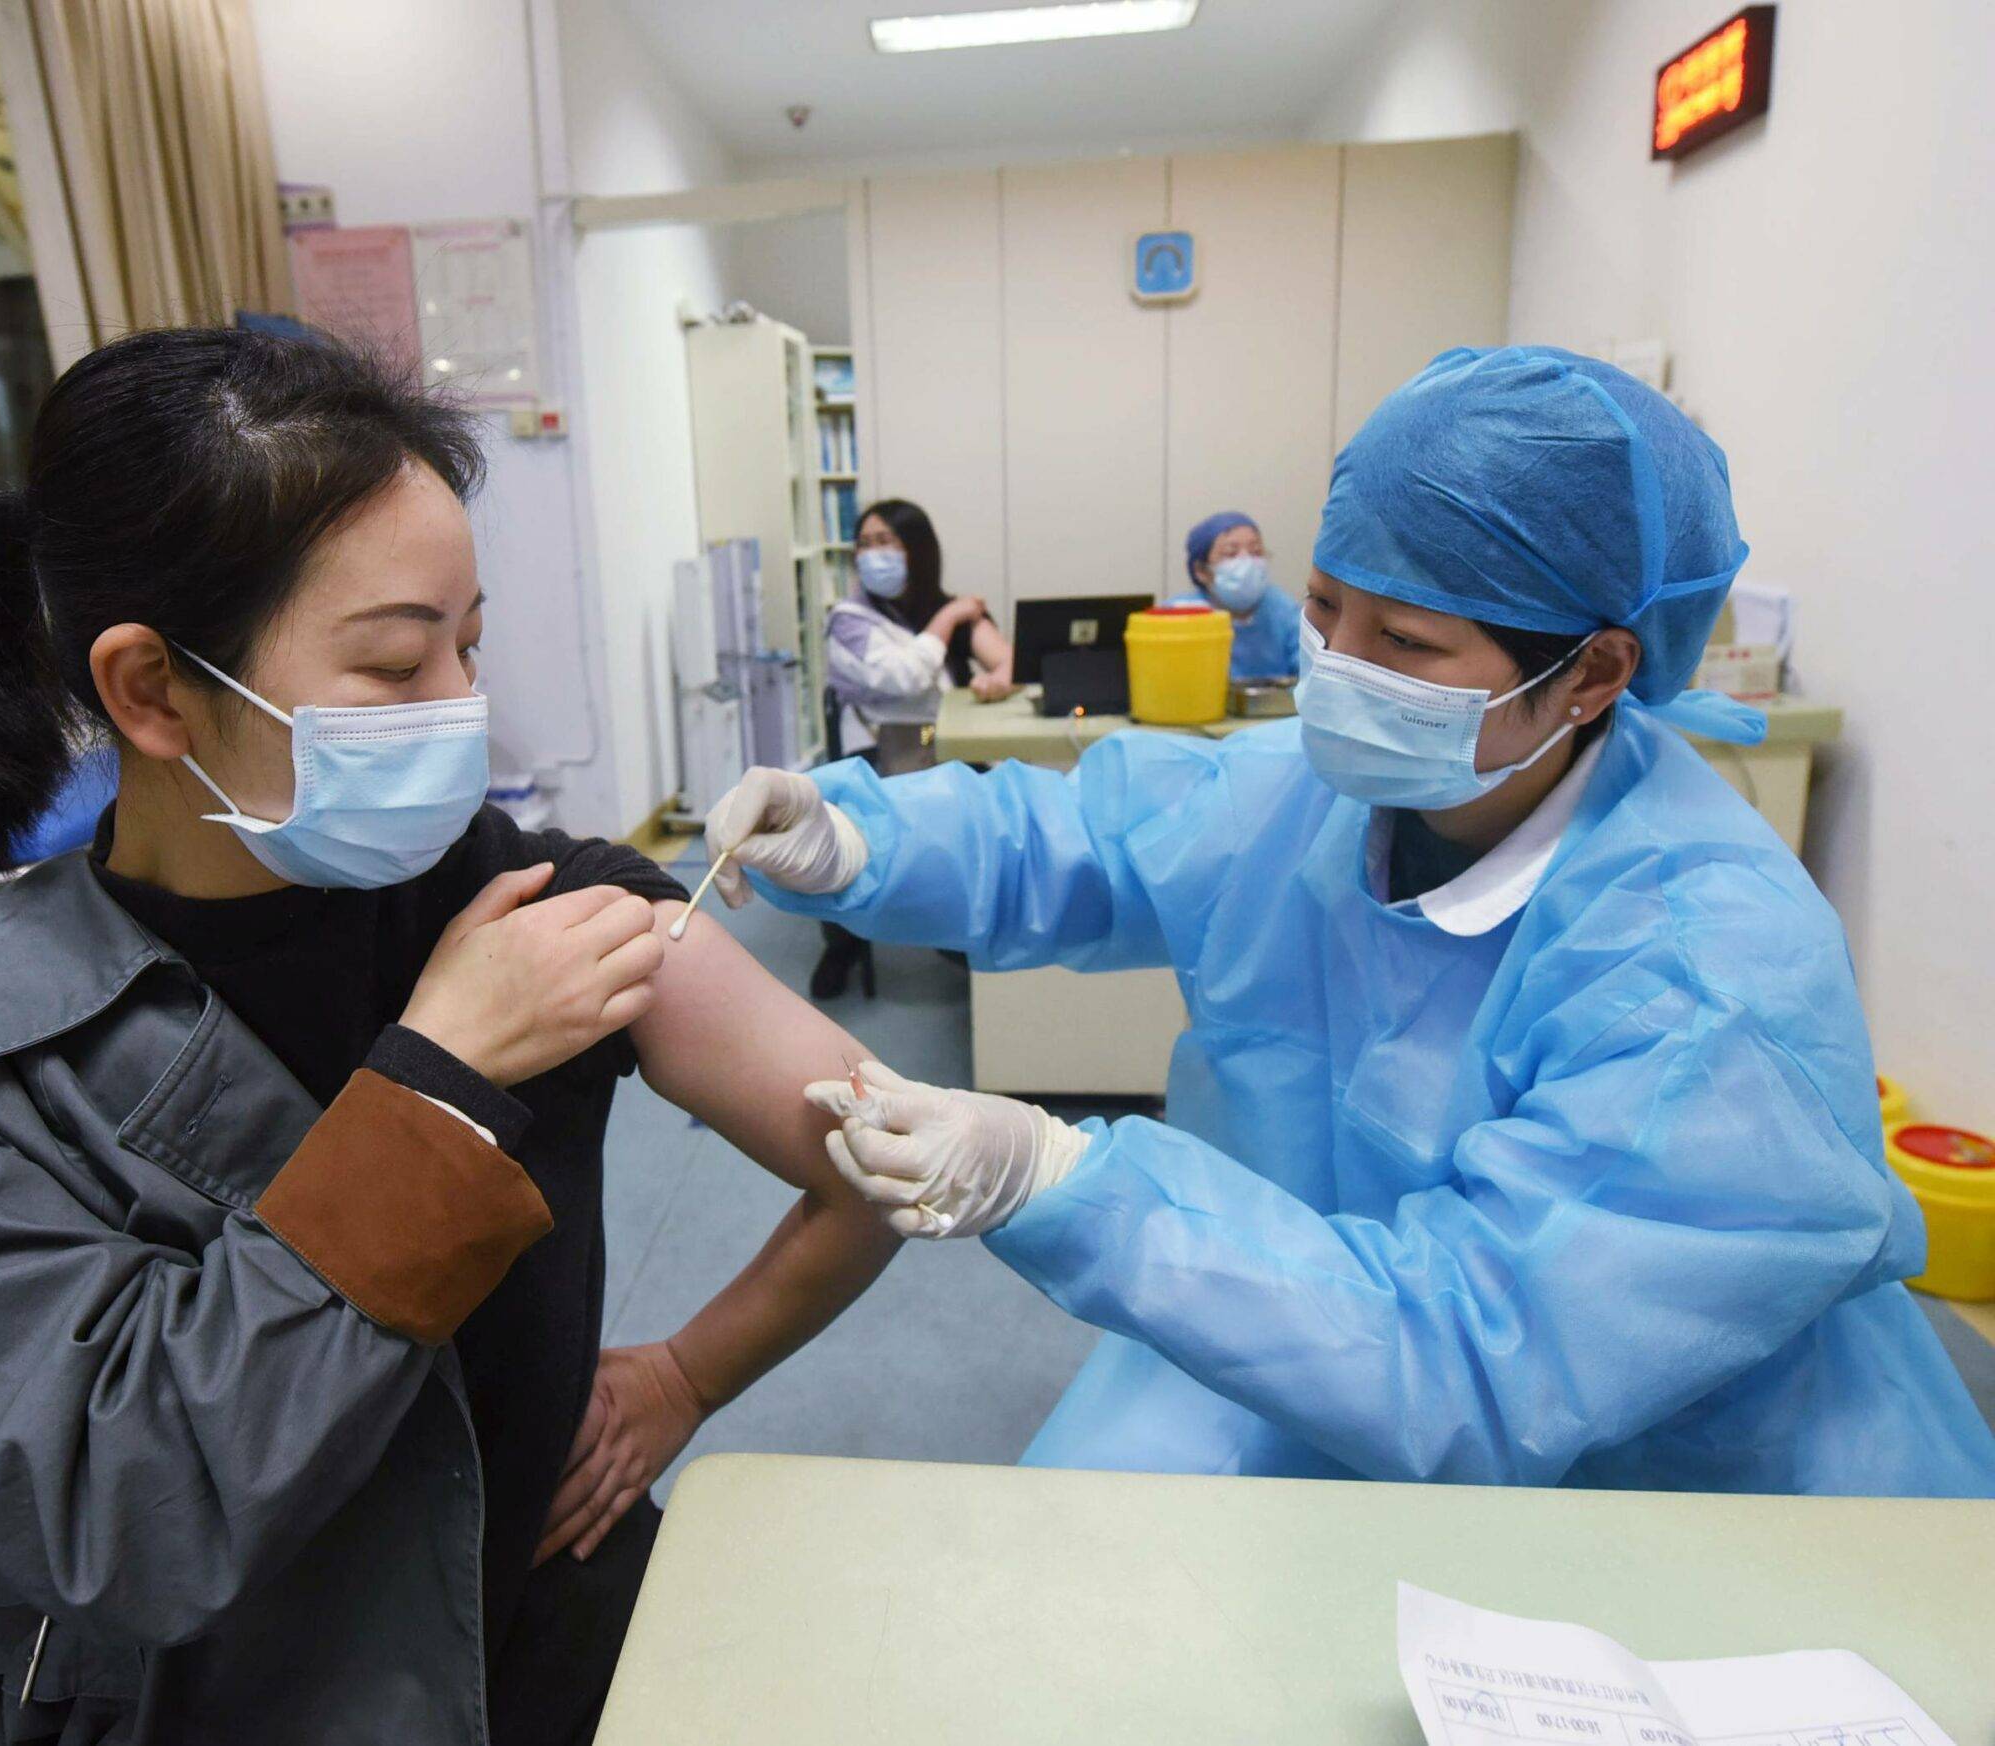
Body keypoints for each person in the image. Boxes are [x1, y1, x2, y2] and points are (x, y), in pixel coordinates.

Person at [0, 329, 899, 1746]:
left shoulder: (543, 905)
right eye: (394, 660)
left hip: (529, 1632)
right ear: (154, 691)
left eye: (468, 643)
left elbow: (885, 1155)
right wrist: (440, 1082)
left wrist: (685, 1373)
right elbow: (131, 1514)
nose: (460, 715)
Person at [707, 346, 1995, 1498]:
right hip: (1310, 1318)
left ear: (1594, 672)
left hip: (1662, 1461)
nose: (1340, 672)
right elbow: (1093, 837)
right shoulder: (1323, 794)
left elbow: (1487, 1358)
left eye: (1408, 643)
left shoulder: (1708, 977)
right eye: (1325, 610)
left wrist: (1066, 1181)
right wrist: (856, 837)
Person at [810, 498, 1015, 999]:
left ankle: (964, 925)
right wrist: (947, 620)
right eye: (864, 544)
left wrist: (1003, 677)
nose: (873, 554)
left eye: (886, 542)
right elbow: (902, 677)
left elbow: (1007, 658)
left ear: (917, 550)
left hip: (948, 747)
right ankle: (845, 941)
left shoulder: (951, 607)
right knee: (854, 825)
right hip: (879, 754)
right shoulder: (849, 620)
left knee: (1000, 812)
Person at [1182, 510, 1299, 680]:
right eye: (1231, 553)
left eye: (1256, 552)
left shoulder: (1284, 611)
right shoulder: (1182, 615)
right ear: (1201, 570)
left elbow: (1312, 677)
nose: (1247, 562)